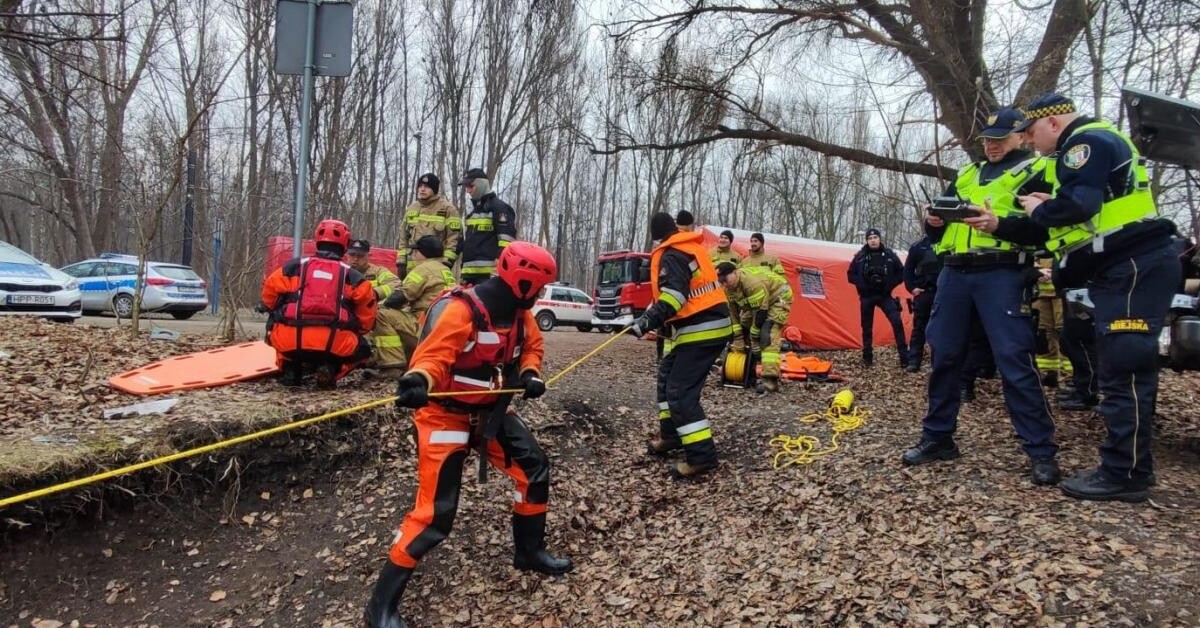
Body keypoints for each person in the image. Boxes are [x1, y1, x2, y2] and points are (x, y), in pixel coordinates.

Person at [983, 92, 1180, 501]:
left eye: (1033, 132)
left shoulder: (1084, 143)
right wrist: (1009, 220)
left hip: (1133, 266)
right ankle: (1127, 467)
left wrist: (1042, 209)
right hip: (1124, 269)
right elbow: (1069, 219)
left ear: (1054, 124)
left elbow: (1078, 206)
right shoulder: (1080, 152)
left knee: (1125, 367)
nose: (1032, 142)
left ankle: (1125, 473)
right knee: (1119, 365)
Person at [364, 242, 571, 628]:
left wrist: (530, 375)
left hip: (488, 413)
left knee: (534, 469)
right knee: (434, 515)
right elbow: (434, 356)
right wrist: (417, 380)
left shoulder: (520, 314)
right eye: (540, 288)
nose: (542, 295)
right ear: (524, 283)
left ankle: (529, 552)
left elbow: (532, 348)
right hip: (443, 416)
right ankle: (380, 608)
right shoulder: (461, 310)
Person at [902, 106, 1062, 486]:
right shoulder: (968, 173)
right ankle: (938, 437)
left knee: (1013, 359)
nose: (991, 146)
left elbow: (1047, 229)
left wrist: (998, 224)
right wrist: (934, 221)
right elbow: (941, 230)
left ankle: (1040, 450)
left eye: (999, 139)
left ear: (1022, 135)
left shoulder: (1039, 170)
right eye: (987, 140)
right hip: (955, 273)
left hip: (1002, 271)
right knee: (944, 355)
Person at [631, 212, 732, 478]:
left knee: (679, 391)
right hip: (700, 327)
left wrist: (646, 321)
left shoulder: (673, 255)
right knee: (667, 376)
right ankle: (672, 436)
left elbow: (675, 297)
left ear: (656, 236)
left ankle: (701, 457)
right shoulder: (686, 248)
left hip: (704, 328)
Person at [261, 220, 377, 388]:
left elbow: (268, 297)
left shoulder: (292, 268)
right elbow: (367, 315)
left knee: (278, 328)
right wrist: (355, 330)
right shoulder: (353, 276)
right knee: (364, 350)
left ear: (317, 241)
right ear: (345, 244)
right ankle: (332, 368)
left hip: (289, 341)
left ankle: (289, 369)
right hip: (335, 343)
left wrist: (276, 312)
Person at [717, 262, 793, 392]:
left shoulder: (751, 284)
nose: (724, 284)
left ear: (735, 272)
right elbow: (733, 313)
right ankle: (747, 374)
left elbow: (761, 312)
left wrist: (754, 333)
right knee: (744, 329)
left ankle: (770, 380)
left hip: (778, 298)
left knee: (767, 333)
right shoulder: (729, 287)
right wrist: (738, 337)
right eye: (721, 281)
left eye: (726, 280)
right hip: (756, 305)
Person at [387, 235, 457, 363]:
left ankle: (392, 363)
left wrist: (382, 304)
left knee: (382, 315)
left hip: (425, 326)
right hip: (443, 325)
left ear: (424, 253)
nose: (413, 255)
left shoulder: (423, 269)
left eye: (415, 252)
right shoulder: (445, 269)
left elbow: (401, 296)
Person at [847, 228, 908, 368]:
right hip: (867, 295)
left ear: (880, 239)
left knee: (897, 322)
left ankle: (904, 357)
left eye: (875, 237)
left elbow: (901, 273)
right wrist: (862, 285)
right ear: (867, 240)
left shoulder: (890, 255)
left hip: (885, 295)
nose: (873, 240)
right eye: (870, 238)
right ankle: (867, 358)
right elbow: (850, 275)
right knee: (866, 327)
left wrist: (889, 285)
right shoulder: (860, 256)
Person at [346, 239, 407, 376]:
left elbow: (396, 284)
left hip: (370, 321)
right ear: (347, 255)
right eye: (352, 255)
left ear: (368, 256)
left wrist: (373, 294)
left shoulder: (378, 272)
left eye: (360, 256)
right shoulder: (342, 272)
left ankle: (378, 359)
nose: (355, 259)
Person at [457, 167, 516, 286]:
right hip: (468, 276)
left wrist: (497, 272)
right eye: (466, 187)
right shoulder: (473, 213)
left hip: (487, 277)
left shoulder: (499, 208)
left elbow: (506, 242)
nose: (468, 191)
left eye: (471, 186)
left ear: (481, 184)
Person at [396, 173, 460, 278]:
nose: (422, 189)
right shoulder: (412, 208)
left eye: (426, 187)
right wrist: (401, 262)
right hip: (412, 266)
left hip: (435, 267)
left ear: (434, 189)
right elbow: (403, 237)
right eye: (420, 186)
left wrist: (447, 263)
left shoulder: (448, 209)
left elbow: (454, 239)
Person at [903, 234, 942, 372]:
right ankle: (914, 361)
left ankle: (937, 362)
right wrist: (912, 288)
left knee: (941, 329)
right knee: (919, 327)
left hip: (942, 293)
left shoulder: (948, 245)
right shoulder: (917, 247)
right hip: (923, 293)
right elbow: (907, 271)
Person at [1032, 257, 1066, 387]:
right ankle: (1049, 373)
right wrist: (1035, 271)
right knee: (1043, 334)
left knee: (1064, 332)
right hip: (1039, 293)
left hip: (1061, 292)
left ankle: (1069, 374)